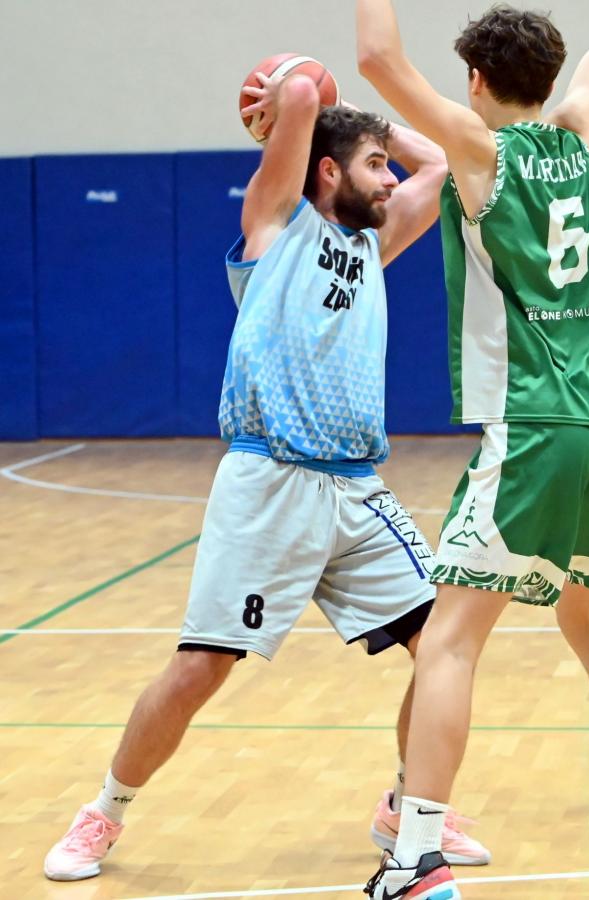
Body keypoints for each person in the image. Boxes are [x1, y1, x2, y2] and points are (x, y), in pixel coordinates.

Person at [43, 69, 491, 882]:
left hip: (356, 488)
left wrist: (368, 125)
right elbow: (300, 102)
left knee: (441, 646)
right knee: (200, 669)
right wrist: (301, 89)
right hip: (269, 483)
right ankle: (103, 812)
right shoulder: (274, 228)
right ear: (327, 170)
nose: (389, 178)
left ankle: (407, 805)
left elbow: (438, 166)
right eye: (372, 166)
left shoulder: (373, 244)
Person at [356, 2, 589, 898]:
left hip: (535, 426)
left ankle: (415, 856)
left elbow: (377, 58)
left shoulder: (482, 153)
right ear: (547, 80)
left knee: (447, 641)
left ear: (476, 79)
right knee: (588, 617)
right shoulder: (577, 137)